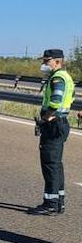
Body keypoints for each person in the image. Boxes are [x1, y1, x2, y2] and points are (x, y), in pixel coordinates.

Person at [28, 49, 74, 216]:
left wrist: (45, 118)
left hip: (54, 124)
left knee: (50, 165)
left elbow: (55, 101)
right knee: (56, 164)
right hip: (61, 123)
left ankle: (51, 203)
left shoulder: (57, 78)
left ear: (57, 62)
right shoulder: (65, 76)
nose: (43, 64)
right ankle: (59, 201)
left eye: (46, 61)